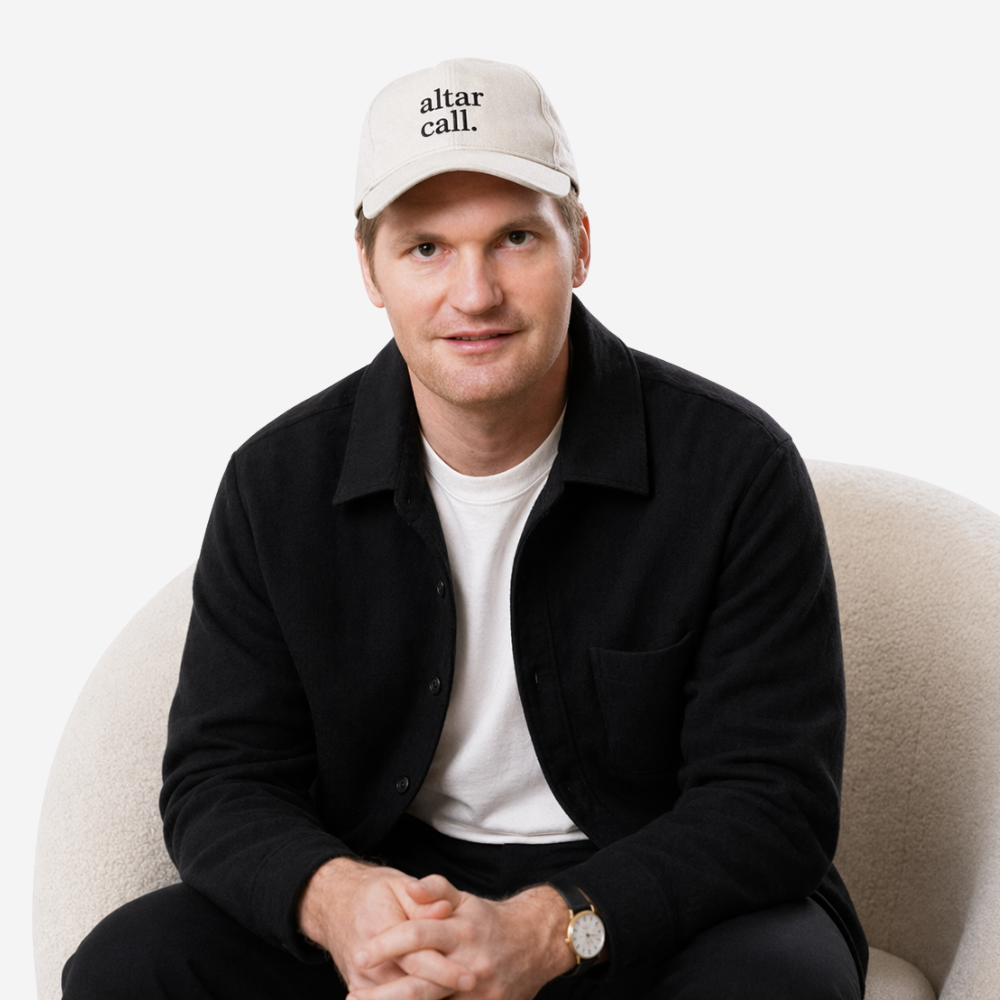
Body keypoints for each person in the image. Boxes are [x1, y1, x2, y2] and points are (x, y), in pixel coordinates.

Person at [62, 57, 867, 999]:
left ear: (582, 245)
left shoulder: (734, 469)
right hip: (396, 895)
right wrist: (343, 905)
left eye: (516, 238)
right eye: (427, 248)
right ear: (368, 267)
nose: (474, 294)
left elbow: (773, 801)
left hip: (640, 906)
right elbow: (220, 779)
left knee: (780, 984)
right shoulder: (274, 485)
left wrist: (552, 927)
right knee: (130, 966)